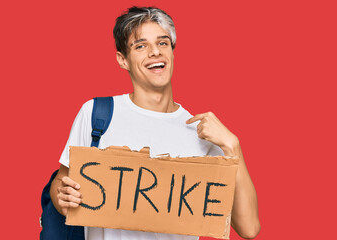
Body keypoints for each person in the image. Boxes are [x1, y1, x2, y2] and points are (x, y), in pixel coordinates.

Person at [50, 6, 260, 240]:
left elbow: (249, 228)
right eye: (140, 46)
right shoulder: (96, 113)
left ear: (172, 52)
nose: (154, 52)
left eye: (162, 43)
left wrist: (233, 146)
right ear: (123, 60)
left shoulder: (201, 133)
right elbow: (62, 179)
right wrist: (62, 196)